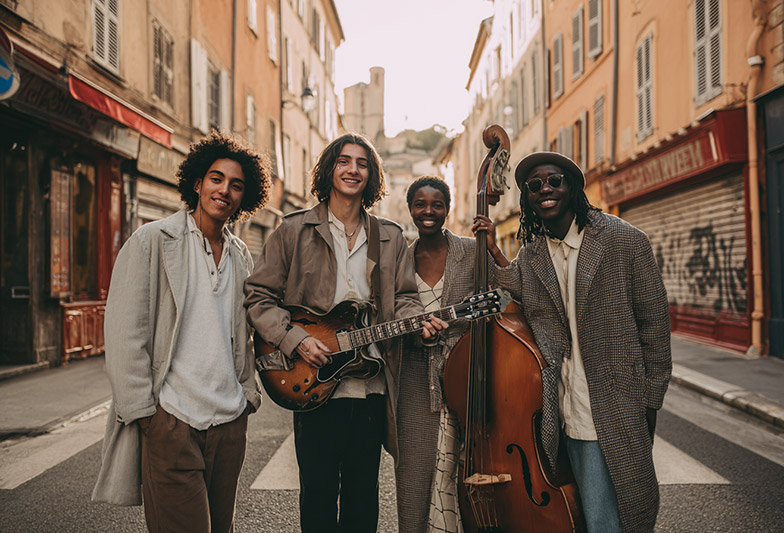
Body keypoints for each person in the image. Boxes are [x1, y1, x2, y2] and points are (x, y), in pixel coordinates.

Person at [244, 133, 445, 532]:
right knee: (316, 498)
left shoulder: (390, 237)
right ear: (329, 170)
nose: (353, 169)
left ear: (372, 176)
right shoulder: (294, 231)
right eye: (344, 161)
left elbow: (404, 297)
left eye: (363, 163)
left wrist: (420, 320)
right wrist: (295, 339)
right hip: (313, 386)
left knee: (362, 502)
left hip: (371, 390)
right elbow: (258, 297)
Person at [472, 151, 671, 533]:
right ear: (527, 198)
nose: (545, 190)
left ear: (573, 187)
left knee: (623, 512)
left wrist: (650, 398)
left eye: (554, 181)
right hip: (567, 408)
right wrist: (496, 249)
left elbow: (655, 326)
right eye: (534, 186)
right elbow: (520, 290)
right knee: (589, 517)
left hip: (618, 402)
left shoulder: (624, 240)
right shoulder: (533, 253)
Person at [91, 130, 272, 532]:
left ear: (245, 198)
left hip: (228, 423)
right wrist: (146, 417)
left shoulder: (242, 254)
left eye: (236, 185)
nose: (225, 190)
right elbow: (125, 335)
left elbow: (244, 334)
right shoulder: (152, 241)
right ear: (197, 183)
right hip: (172, 421)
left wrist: (247, 397)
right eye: (216, 178)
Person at [396, 176, 491, 532]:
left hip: (465, 373)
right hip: (413, 377)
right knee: (414, 470)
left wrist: (493, 248)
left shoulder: (471, 250)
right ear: (410, 209)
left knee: (460, 470)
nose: (428, 211)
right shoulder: (401, 258)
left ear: (448, 209)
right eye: (420, 204)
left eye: (437, 204)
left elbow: (509, 291)